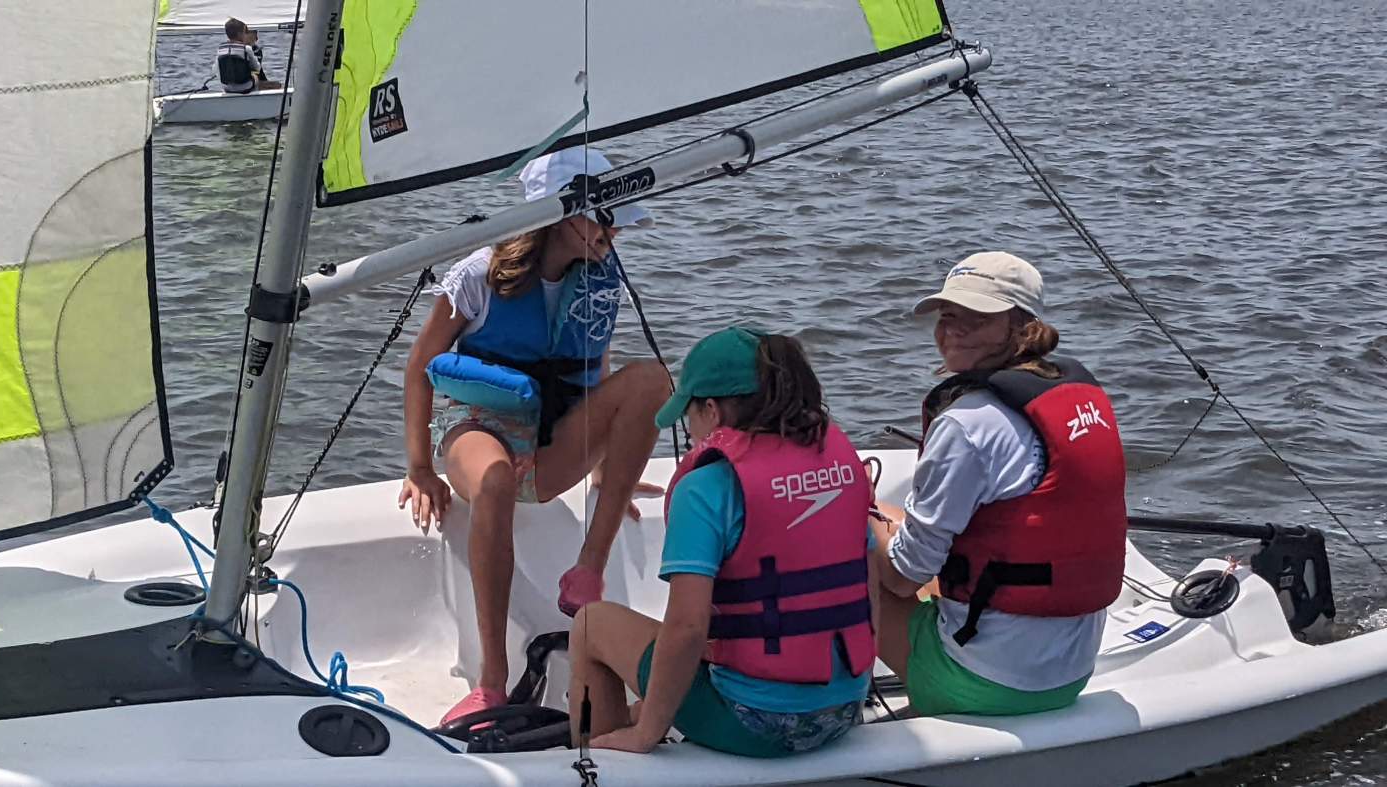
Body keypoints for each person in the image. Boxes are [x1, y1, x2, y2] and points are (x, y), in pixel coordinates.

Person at [400, 147, 670, 726]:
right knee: (495, 478)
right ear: (560, 214)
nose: (613, 230)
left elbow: (595, 374)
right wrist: (420, 469)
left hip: (553, 443)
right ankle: (492, 683)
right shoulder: (478, 275)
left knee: (652, 380)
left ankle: (588, 568)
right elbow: (420, 364)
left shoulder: (601, 281)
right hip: (479, 430)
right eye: (604, 217)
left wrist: (605, 464)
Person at [568, 327, 876, 757]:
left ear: (711, 411)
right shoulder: (840, 467)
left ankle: (596, 760)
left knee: (589, 625)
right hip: (844, 710)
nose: (689, 428)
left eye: (688, 415)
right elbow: (862, 581)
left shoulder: (707, 488)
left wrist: (648, 732)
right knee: (660, 691)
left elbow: (687, 628)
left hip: (758, 726)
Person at [869, 251, 1128, 717]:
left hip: (984, 684)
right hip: (1068, 675)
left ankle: (817, 706)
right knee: (895, 518)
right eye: (948, 315)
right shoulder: (1077, 400)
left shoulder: (967, 424)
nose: (954, 329)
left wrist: (856, 511)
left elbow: (901, 580)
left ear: (1021, 325)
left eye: (977, 317)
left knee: (846, 545)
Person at [215, 19, 281, 94]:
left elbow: (216, 71)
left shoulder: (220, 49)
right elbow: (257, 68)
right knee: (257, 77)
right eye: (245, 32)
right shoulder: (247, 49)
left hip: (226, 88)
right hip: (245, 87)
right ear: (241, 34)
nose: (257, 39)